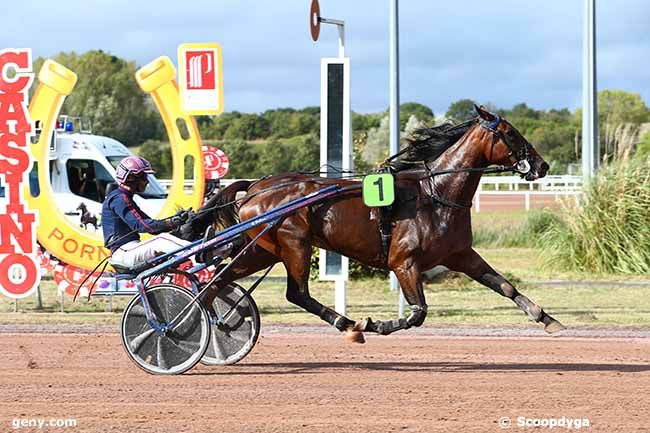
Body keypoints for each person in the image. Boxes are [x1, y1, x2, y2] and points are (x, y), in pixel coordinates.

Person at [102, 156, 191, 270]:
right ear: (130, 178)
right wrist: (171, 222)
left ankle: (207, 251)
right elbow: (142, 226)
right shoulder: (119, 198)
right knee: (161, 240)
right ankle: (198, 253)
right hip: (123, 252)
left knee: (165, 238)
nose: (147, 181)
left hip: (130, 249)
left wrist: (176, 220)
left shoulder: (124, 197)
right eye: (144, 177)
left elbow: (152, 228)